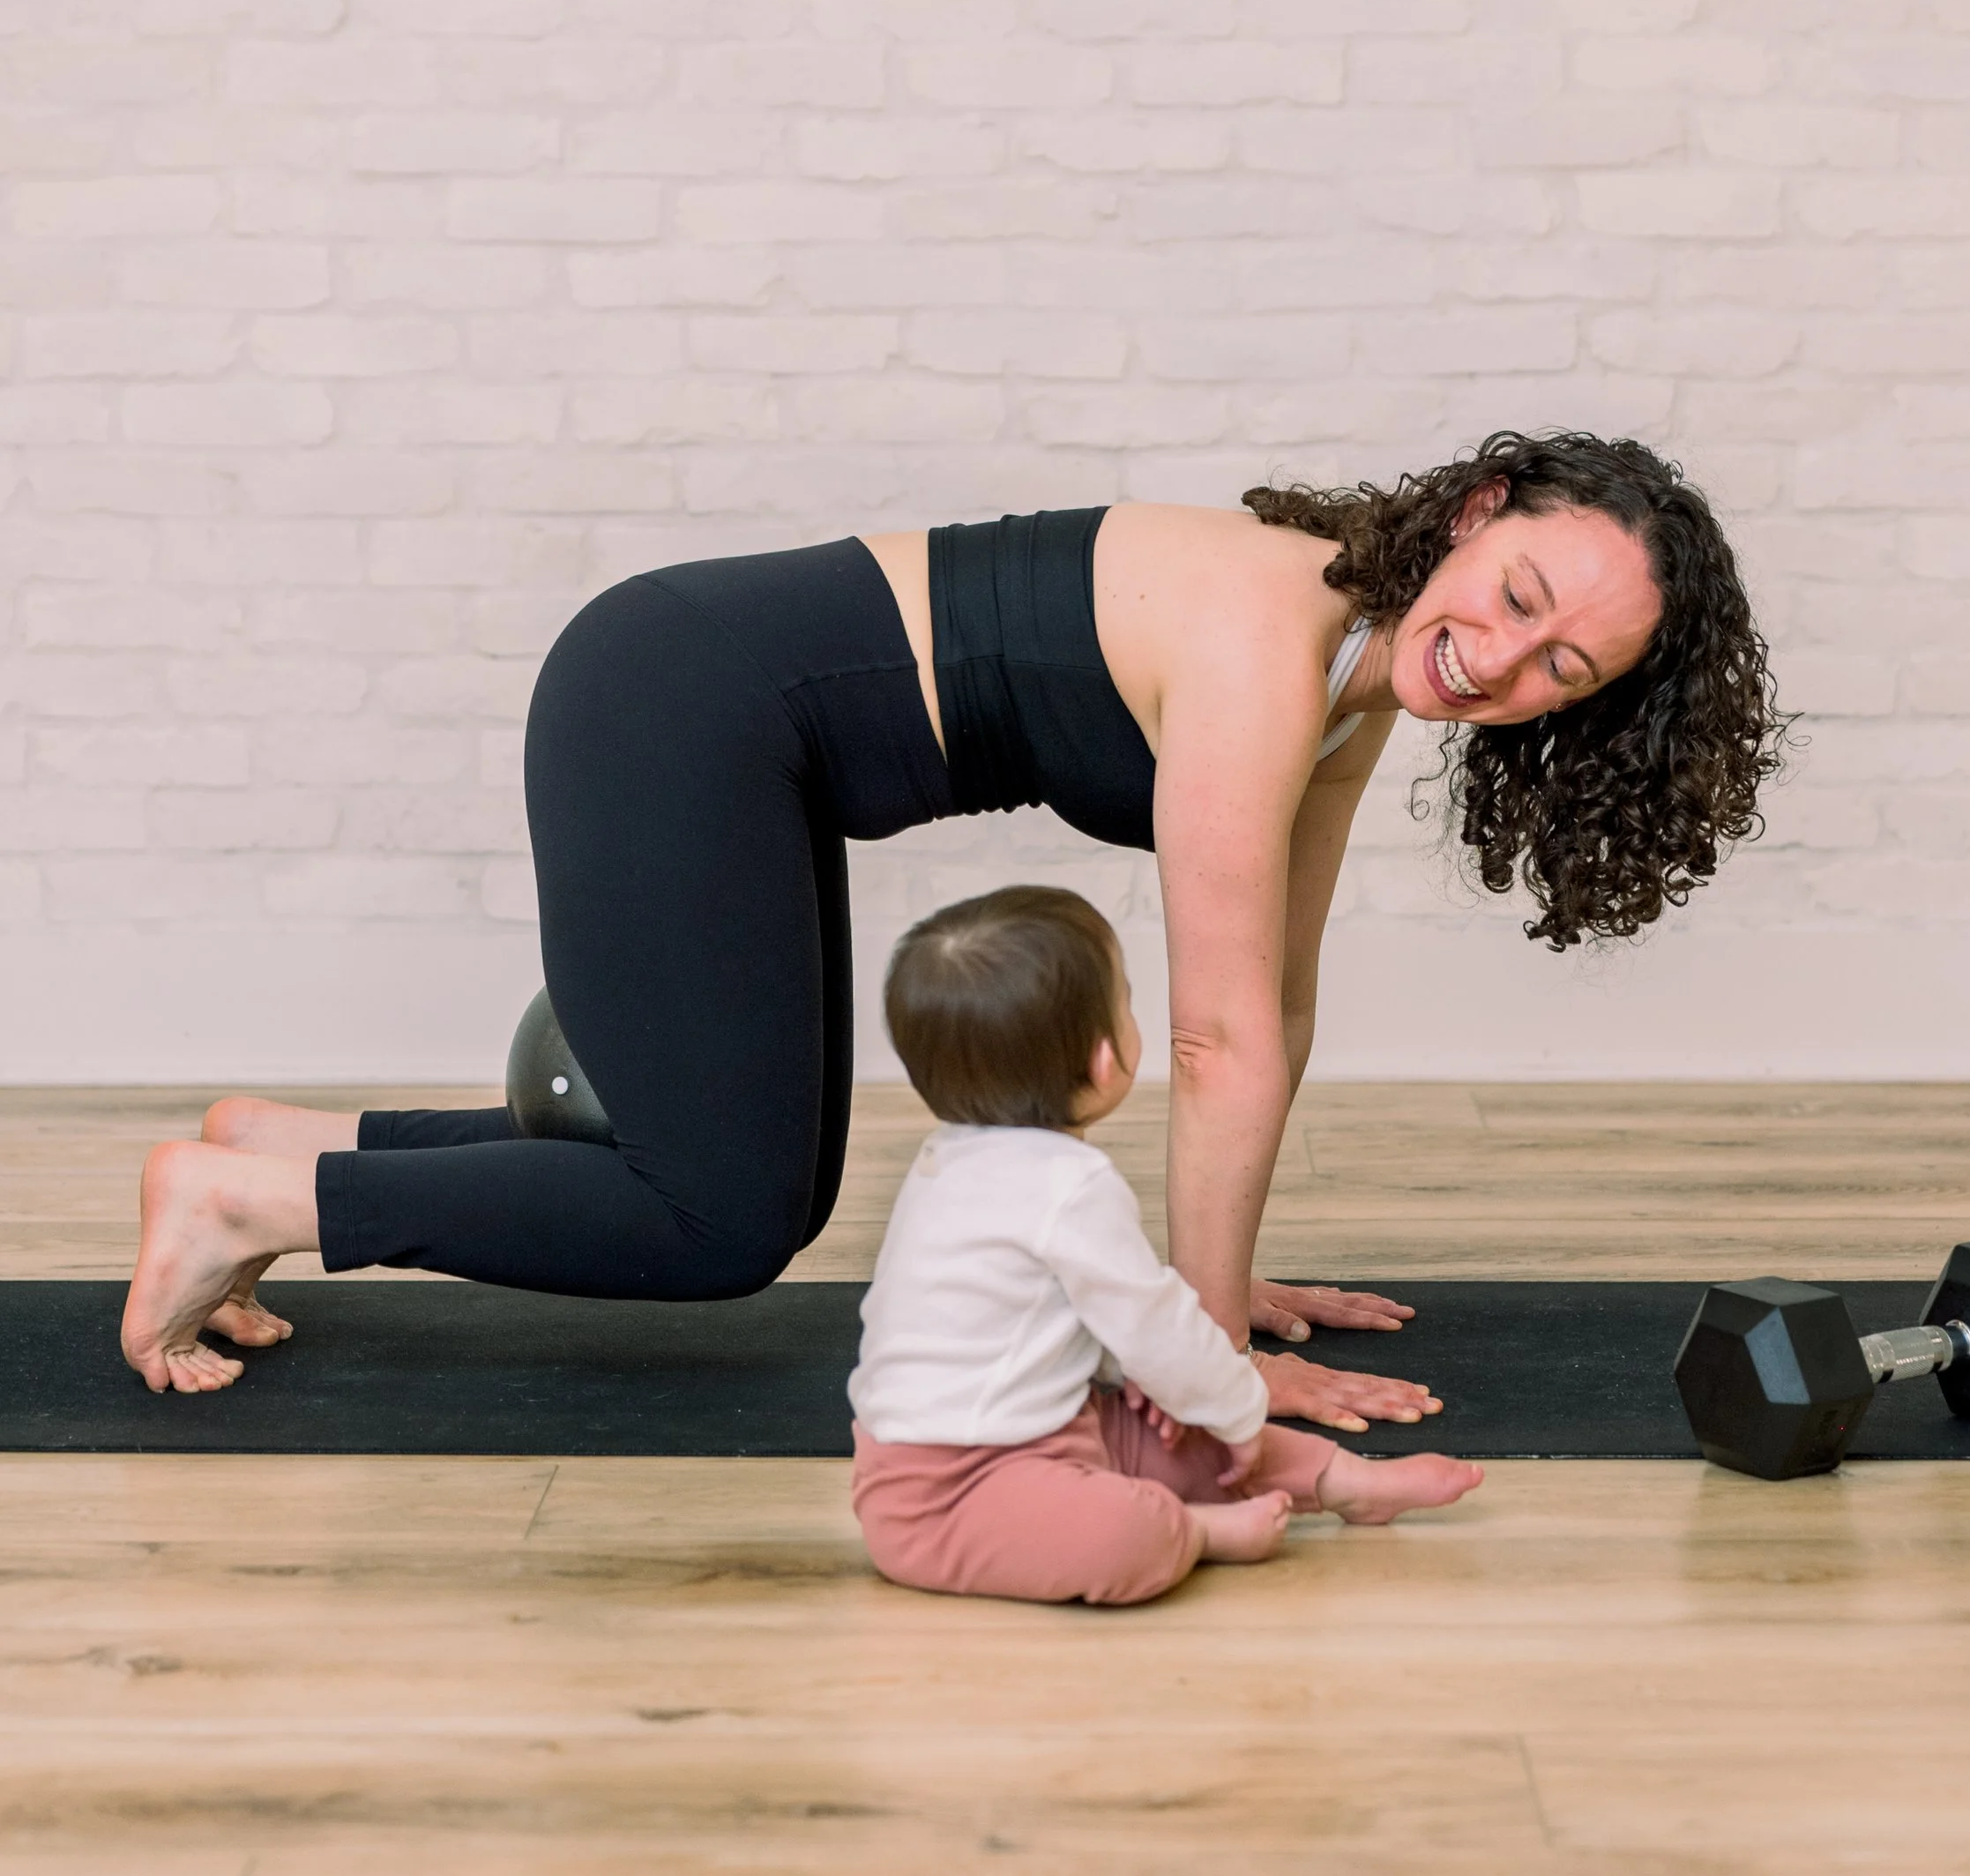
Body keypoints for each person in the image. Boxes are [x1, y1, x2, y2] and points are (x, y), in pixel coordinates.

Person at [120, 430, 1784, 1413]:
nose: (1503, 661)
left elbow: (1277, 988)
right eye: (1519, 599)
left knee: (749, 1174)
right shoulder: (1270, 635)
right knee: (717, 1220)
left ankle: (282, 1150)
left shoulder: (1353, 677)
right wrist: (1211, 1360)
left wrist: (1230, 1276)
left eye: (1562, 670)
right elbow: (1211, 1041)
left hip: (729, 732)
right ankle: (249, 1197)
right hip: (676, 703)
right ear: (1484, 508)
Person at [850, 885, 1481, 1606]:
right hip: (946, 1496)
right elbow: (1162, 1328)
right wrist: (1237, 1404)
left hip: (1056, 1428)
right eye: (1125, 999)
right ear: (1102, 1061)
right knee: (1130, 1521)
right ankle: (1198, 1532)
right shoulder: (1068, 1185)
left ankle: (1348, 1484)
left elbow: (1043, 1317)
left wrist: (1158, 1390)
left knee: (1185, 1430)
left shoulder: (943, 1161)